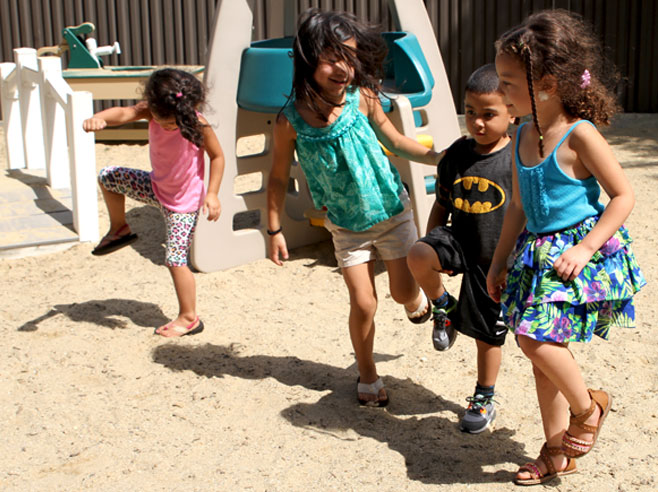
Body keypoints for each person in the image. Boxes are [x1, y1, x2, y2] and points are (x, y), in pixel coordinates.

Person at [487, 10, 646, 486]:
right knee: (543, 358)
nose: (502, 92)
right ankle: (557, 451)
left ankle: (589, 406)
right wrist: (498, 263)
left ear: (548, 83)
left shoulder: (580, 135)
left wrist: (586, 248)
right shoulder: (520, 134)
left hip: (573, 254)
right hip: (534, 255)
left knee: (532, 339)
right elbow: (516, 204)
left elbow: (624, 195)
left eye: (510, 82)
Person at [267, 9, 442, 407]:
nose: (343, 67)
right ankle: (367, 373)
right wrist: (274, 230)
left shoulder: (363, 98)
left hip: (391, 213)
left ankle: (416, 301)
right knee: (363, 302)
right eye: (331, 57)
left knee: (401, 293)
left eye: (349, 56)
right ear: (308, 59)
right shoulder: (290, 121)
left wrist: (438, 159)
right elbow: (277, 178)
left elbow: (396, 141)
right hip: (346, 226)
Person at [407, 64, 515, 433]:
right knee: (417, 253)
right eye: (471, 112)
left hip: (494, 260)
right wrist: (431, 239)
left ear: (511, 112)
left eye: (489, 114)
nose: (478, 122)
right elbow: (442, 203)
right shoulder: (455, 155)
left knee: (487, 336)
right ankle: (444, 307)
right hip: (458, 241)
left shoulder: (518, 160)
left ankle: (483, 398)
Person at [83, 68, 225, 338]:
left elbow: (218, 157)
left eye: (174, 123)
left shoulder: (197, 123)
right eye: (164, 121)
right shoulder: (150, 110)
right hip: (157, 187)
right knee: (109, 177)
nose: (169, 126)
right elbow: (123, 113)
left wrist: (213, 193)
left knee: (174, 259)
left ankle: (189, 318)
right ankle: (119, 229)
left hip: (183, 204)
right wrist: (98, 118)